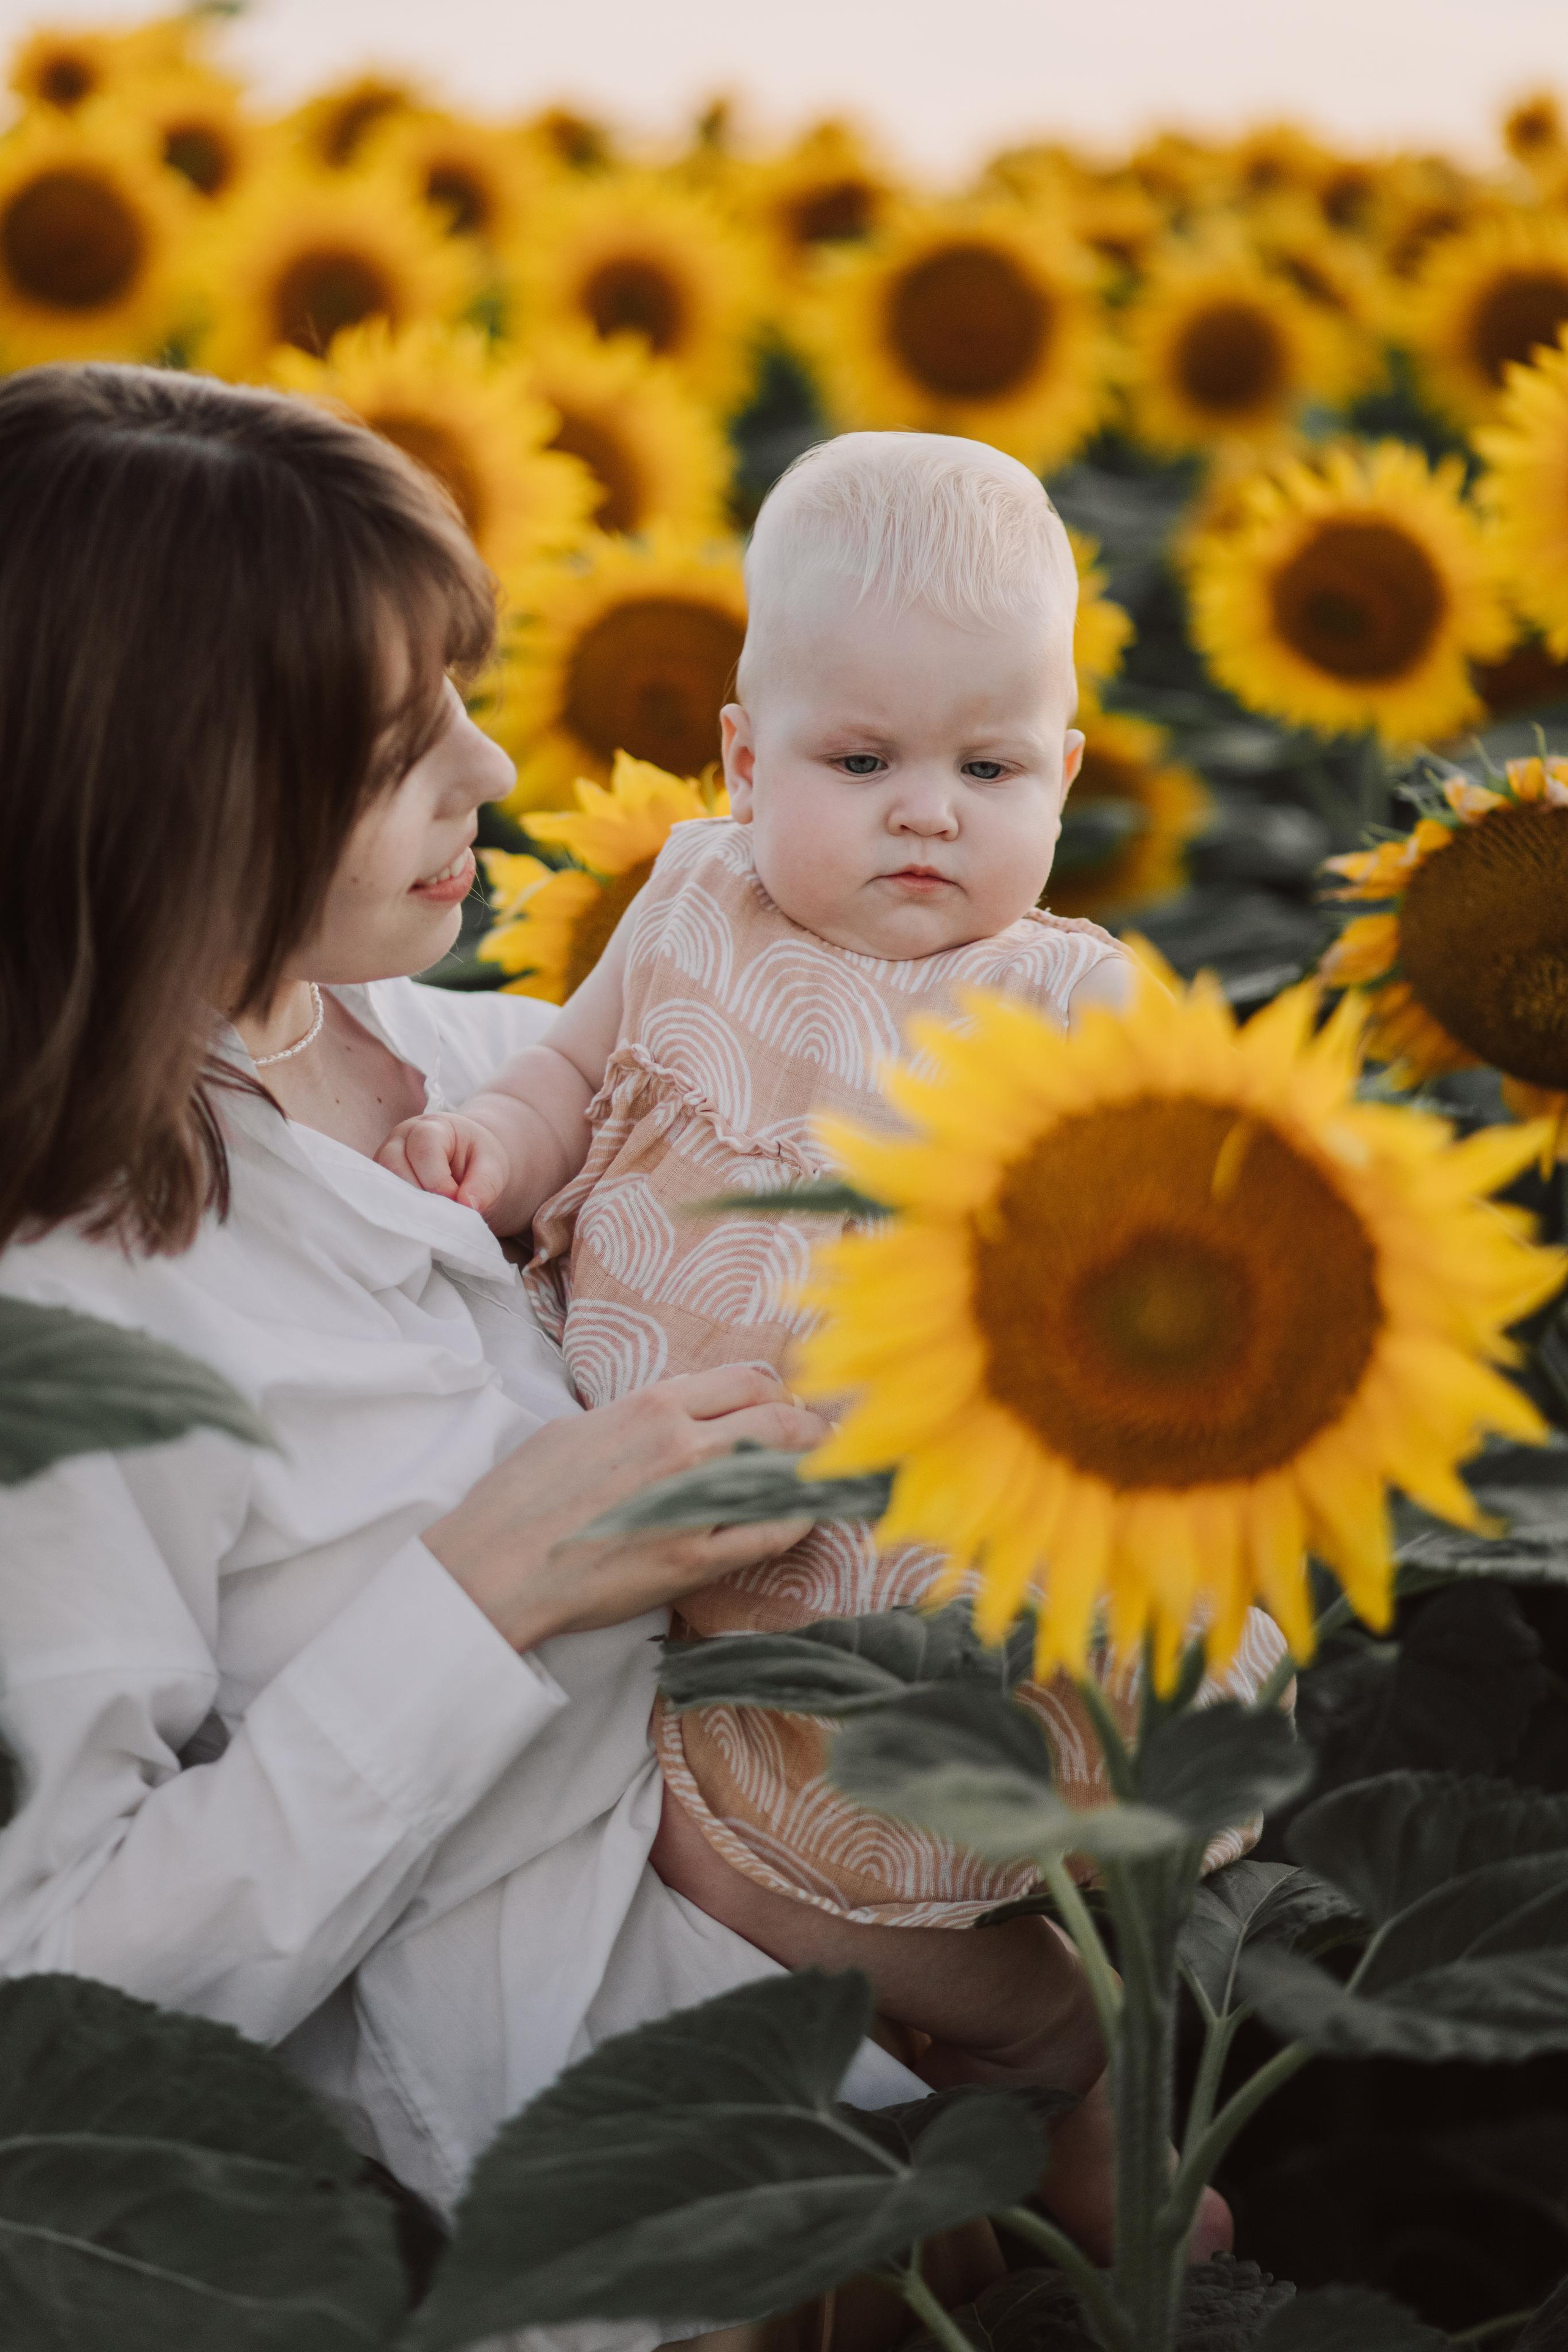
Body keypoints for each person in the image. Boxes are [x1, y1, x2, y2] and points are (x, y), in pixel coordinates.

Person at [0, 365, 956, 2352]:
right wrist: (481, 1597)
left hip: (955, 2124)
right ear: (151, 795)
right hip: (665, 2250)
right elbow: (59, 2020)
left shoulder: (479, 1069)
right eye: (394, 749)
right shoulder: (68, 1328)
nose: (503, 776)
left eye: (460, 697)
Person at [377, 434, 1282, 2253]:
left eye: (989, 767)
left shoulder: (1074, 995)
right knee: (676, 1863)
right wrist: (502, 1154)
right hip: (680, 1567)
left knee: (874, 1872)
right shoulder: (692, 902)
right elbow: (567, 1070)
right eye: (861, 764)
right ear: (740, 761)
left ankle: (1078, 2095)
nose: (927, 813)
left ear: (1070, 776)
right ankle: (969, 2172)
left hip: (917, 1585)